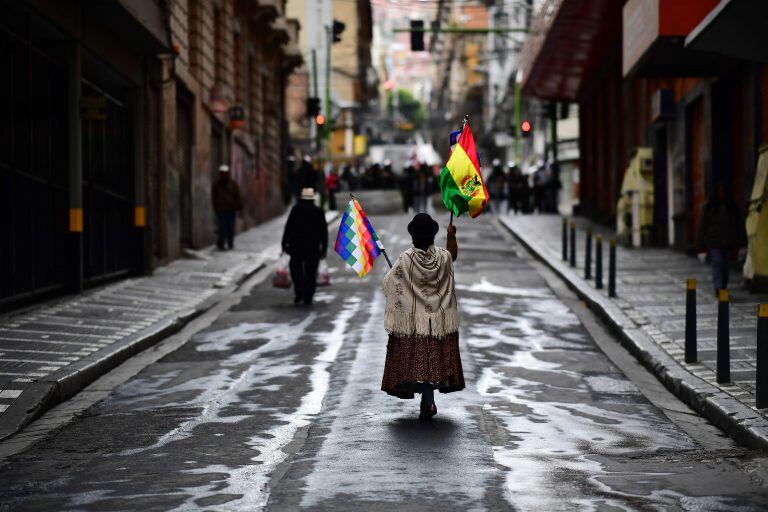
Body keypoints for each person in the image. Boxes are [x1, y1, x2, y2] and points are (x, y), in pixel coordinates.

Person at [381, 213, 465, 420]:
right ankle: (428, 401)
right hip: (438, 321)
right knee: (432, 359)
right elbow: (452, 255)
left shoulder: (405, 259)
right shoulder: (442, 257)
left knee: (419, 361)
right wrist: (451, 235)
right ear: (433, 236)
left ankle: (426, 400)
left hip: (414, 324)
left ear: (413, 237)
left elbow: (388, 283)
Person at [696, 183, 747, 296]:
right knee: (718, 263)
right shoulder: (709, 207)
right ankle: (718, 286)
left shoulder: (732, 207)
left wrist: (742, 240)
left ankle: (723, 286)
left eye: (723, 191)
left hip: (728, 242)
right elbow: (702, 226)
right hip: (714, 242)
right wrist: (700, 245)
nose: (721, 194)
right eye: (719, 191)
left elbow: (739, 224)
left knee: (725, 266)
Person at [282, 188, 328, 305]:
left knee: (295, 269)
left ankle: (300, 291)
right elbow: (324, 231)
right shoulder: (318, 211)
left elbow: (288, 227)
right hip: (313, 247)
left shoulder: (296, 209)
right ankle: (308, 296)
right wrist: (324, 249)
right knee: (311, 272)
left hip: (296, 246)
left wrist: (284, 243)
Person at [211, 164, 242, 250]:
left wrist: (237, 205)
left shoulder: (233, 184)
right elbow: (214, 197)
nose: (224, 175)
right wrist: (216, 208)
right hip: (221, 210)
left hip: (231, 210)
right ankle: (221, 242)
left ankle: (230, 242)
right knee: (222, 227)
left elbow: (237, 195)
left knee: (230, 227)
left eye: (225, 173)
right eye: (222, 173)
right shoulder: (216, 184)